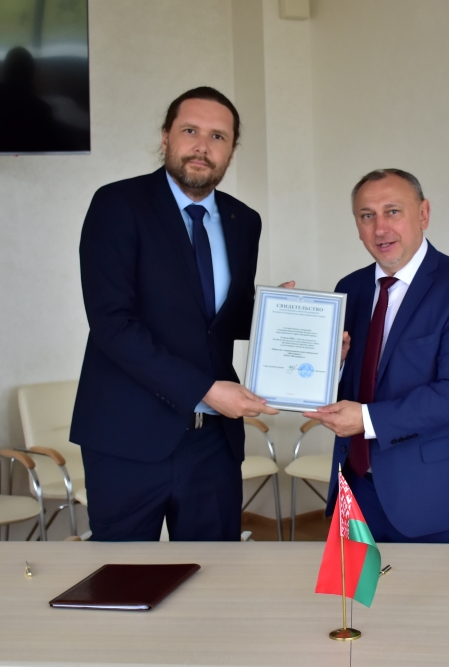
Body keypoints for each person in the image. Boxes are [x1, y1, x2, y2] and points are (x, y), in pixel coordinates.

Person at [71, 87, 283, 541]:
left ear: (231, 151)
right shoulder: (117, 204)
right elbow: (113, 324)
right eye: (190, 131)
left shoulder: (243, 220)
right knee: (126, 575)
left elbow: (221, 319)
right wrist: (204, 389)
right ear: (166, 137)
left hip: (213, 444)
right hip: (127, 438)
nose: (203, 146)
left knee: (215, 575)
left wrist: (286, 322)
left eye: (218, 136)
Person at [303, 169, 449, 543]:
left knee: (438, 586)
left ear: (423, 213)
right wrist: (332, 365)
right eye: (367, 215)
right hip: (357, 489)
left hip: (436, 495)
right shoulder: (350, 288)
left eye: (392, 211)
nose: (380, 228)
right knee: (361, 586)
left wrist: (365, 419)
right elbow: (356, 382)